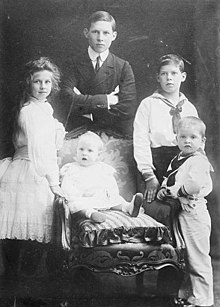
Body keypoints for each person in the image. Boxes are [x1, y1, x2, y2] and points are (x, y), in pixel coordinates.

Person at [0, 57, 66, 276]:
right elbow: (40, 150)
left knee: (33, 233)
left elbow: (50, 144)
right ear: (29, 82)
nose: (43, 87)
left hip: (37, 170)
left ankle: (27, 287)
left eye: (47, 82)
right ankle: (15, 287)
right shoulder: (28, 111)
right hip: (29, 171)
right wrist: (54, 183)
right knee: (21, 231)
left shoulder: (45, 109)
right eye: (38, 81)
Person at [156, 116, 214, 307]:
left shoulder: (198, 160)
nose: (187, 141)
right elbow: (170, 179)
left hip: (194, 212)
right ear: (176, 138)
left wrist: (174, 193)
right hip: (181, 213)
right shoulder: (178, 158)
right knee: (186, 257)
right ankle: (190, 295)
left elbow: (194, 185)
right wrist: (165, 189)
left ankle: (203, 300)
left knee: (198, 257)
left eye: (193, 137)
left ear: (202, 141)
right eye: (183, 137)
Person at [60, 10, 137, 138]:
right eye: (95, 32)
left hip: (112, 133)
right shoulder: (72, 64)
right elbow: (66, 99)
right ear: (86, 33)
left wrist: (85, 108)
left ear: (114, 35)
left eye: (106, 33)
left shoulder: (123, 67)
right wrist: (107, 100)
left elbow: (128, 108)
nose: (100, 38)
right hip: (77, 131)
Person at [133, 54, 198, 203]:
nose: (169, 78)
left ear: (183, 76)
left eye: (174, 73)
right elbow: (140, 141)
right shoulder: (148, 104)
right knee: (162, 207)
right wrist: (149, 175)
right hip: (156, 165)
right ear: (158, 77)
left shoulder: (189, 108)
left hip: (184, 164)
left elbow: (198, 141)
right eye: (164, 74)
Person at [59, 131, 143, 223]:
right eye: (81, 149)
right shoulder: (71, 168)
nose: (84, 153)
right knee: (75, 205)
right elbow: (66, 187)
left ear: (98, 155)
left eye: (89, 150)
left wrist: (112, 194)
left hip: (100, 198)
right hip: (82, 199)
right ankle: (91, 214)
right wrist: (75, 195)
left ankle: (128, 207)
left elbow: (111, 184)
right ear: (76, 151)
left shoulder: (103, 168)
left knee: (116, 199)